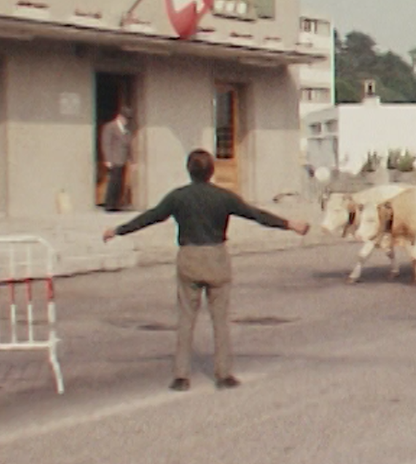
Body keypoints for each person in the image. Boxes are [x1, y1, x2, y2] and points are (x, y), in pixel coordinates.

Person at [103, 149, 310, 391]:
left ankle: (181, 376)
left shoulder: (178, 197)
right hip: (216, 258)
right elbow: (256, 215)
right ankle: (223, 375)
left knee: (186, 319)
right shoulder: (223, 197)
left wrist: (118, 230)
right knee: (220, 320)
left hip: (189, 257)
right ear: (212, 171)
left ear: (189, 171)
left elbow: (151, 217)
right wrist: (290, 224)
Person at [101, 106, 134, 212]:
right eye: (125, 118)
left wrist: (131, 160)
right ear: (119, 117)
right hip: (114, 159)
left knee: (120, 183)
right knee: (113, 182)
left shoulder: (126, 130)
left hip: (122, 159)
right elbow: (106, 143)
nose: (126, 121)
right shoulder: (110, 127)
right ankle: (109, 204)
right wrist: (108, 159)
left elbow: (128, 146)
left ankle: (116, 204)